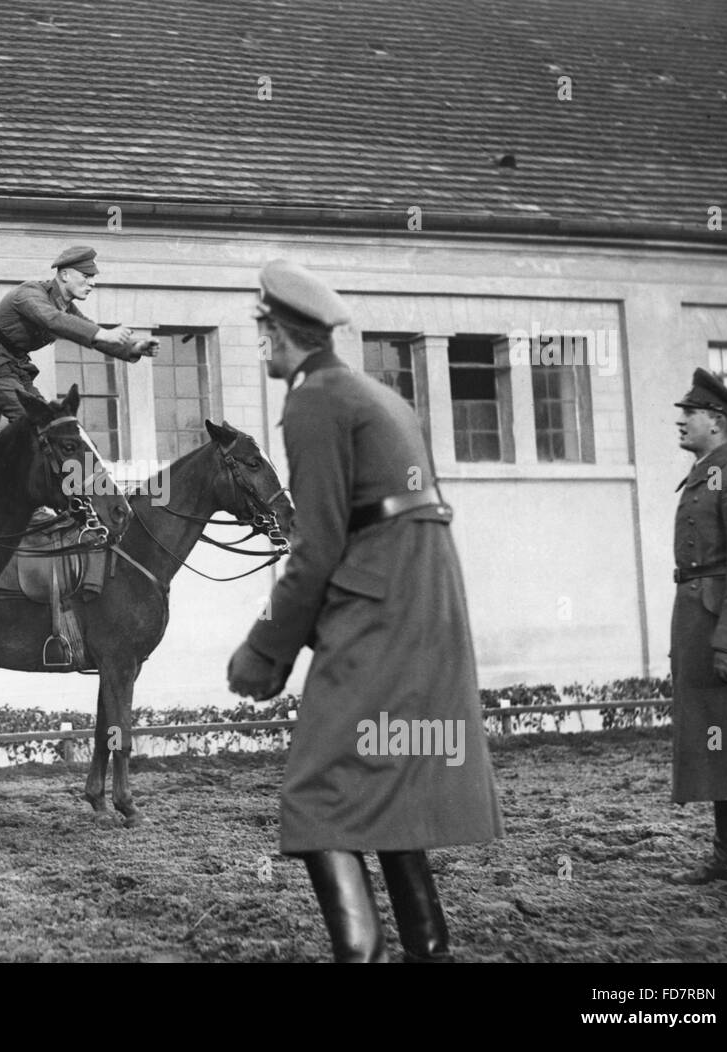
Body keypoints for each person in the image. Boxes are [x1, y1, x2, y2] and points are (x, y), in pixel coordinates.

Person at [226, 259, 502, 962]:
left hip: (376, 608)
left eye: (262, 332)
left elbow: (315, 546)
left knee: (318, 791)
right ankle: (428, 948)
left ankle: (363, 953)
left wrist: (266, 650)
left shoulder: (314, 400)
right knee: (386, 773)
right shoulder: (380, 395)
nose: (260, 345)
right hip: (424, 601)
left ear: (284, 336)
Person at [668, 369, 727, 904]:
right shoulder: (706, 476)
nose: (681, 421)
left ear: (718, 421)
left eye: (691, 413)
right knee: (724, 743)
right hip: (703, 625)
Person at [0, 246, 157, 421]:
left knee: (51, 419)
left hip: (8, 363)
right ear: (64, 274)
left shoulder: (63, 305)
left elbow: (84, 329)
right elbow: (52, 321)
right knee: (32, 420)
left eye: (92, 277)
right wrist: (103, 333)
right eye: (86, 276)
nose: (92, 283)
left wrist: (133, 347)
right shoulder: (29, 293)